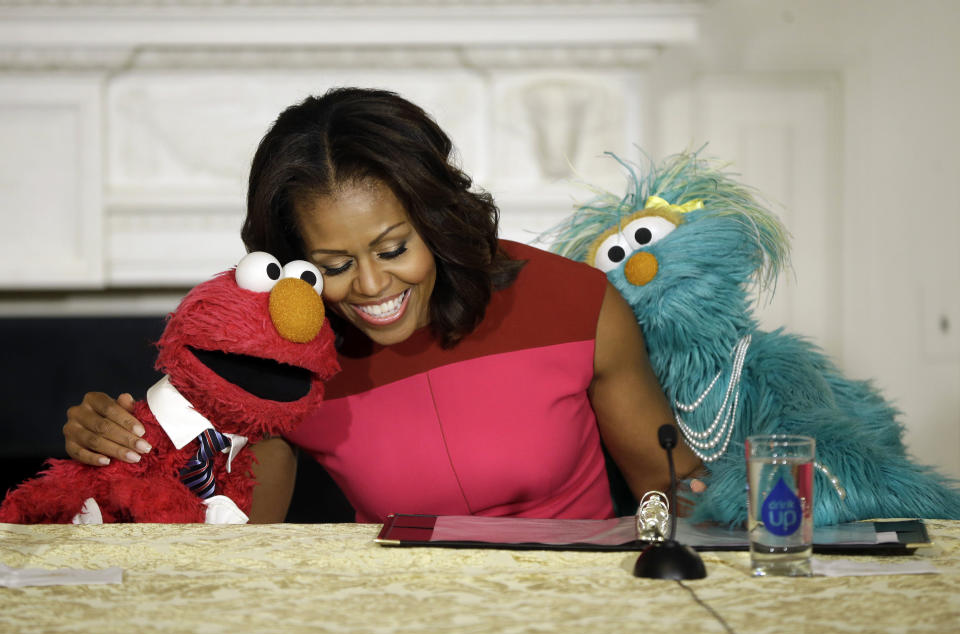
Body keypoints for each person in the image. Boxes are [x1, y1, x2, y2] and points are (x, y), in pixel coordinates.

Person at [61, 87, 703, 524]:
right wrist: (113, 437)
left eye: (393, 248)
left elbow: (667, 486)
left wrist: (655, 572)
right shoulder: (284, 358)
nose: (370, 287)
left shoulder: (574, 304)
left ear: (437, 221)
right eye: (335, 266)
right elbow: (230, 531)